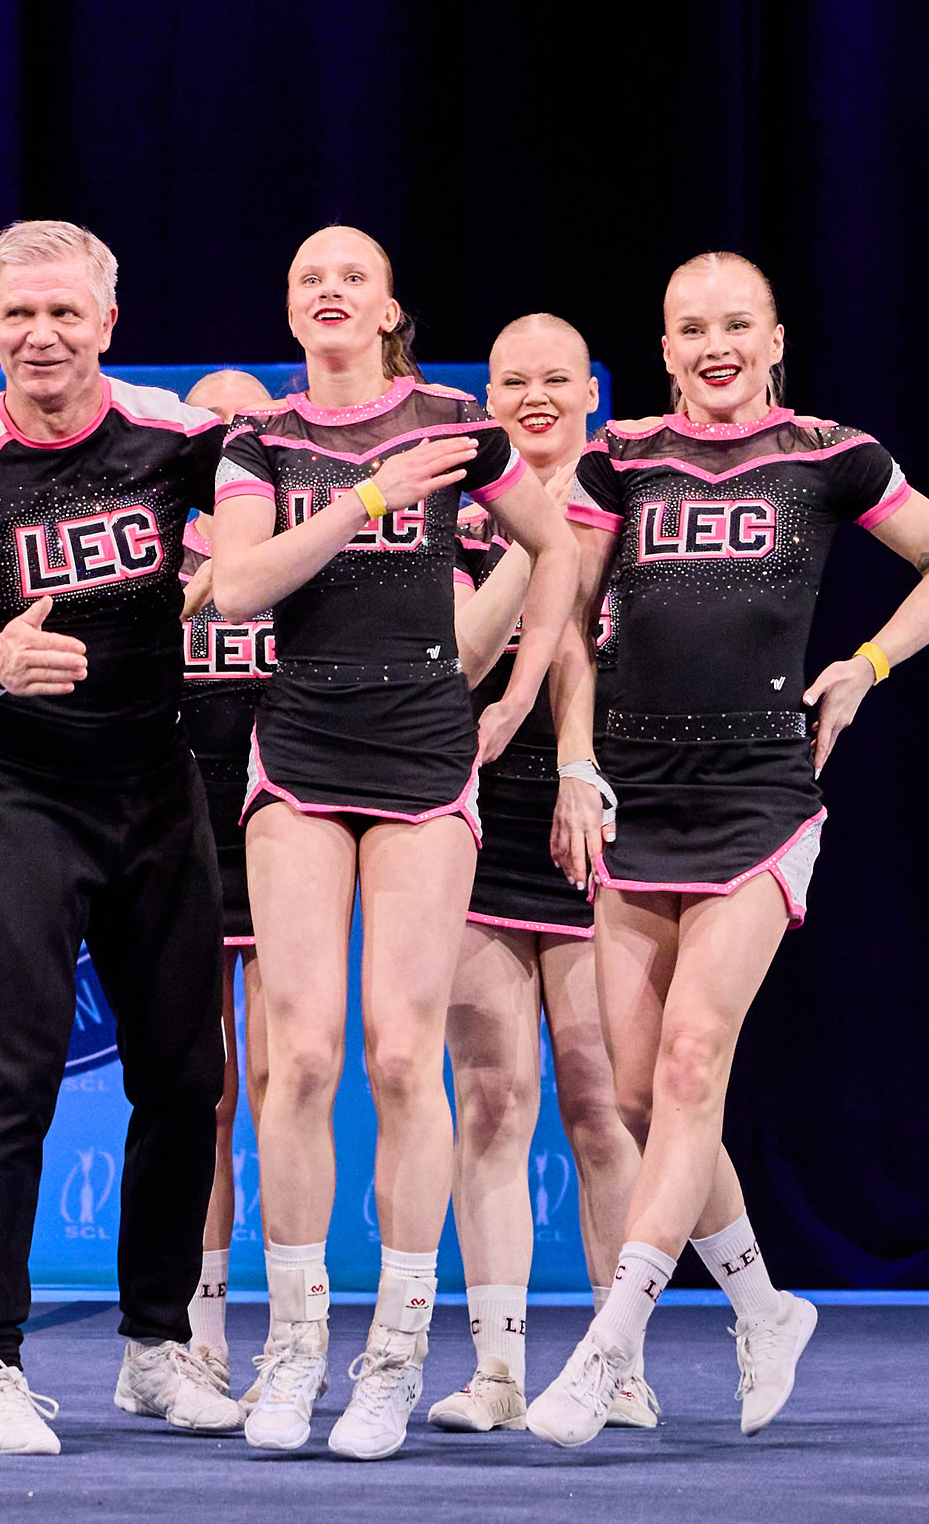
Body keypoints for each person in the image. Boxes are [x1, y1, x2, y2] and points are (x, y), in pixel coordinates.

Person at [528, 251, 929, 1448]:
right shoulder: (618, 458)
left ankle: (605, 1346)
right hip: (634, 798)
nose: (714, 345)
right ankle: (765, 1309)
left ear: (774, 339)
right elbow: (565, 624)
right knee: (638, 1095)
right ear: (663, 348)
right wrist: (572, 763)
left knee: (690, 1066)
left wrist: (865, 665)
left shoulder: (828, 455)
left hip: (758, 799)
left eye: (735, 323)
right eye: (690, 327)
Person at [209, 226, 578, 1459]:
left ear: (386, 309)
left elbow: (556, 541)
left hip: (422, 751)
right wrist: (368, 497)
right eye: (307, 277)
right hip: (300, 747)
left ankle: (393, 1354)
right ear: (290, 309)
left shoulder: (454, 424)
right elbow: (240, 585)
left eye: (350, 277)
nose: (328, 290)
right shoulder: (261, 440)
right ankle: (293, 1345)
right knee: (299, 1057)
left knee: (402, 1057)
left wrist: (515, 691)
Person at [0, 219, 239, 1456]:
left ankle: (155, 1347)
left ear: (106, 322)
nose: (40, 336)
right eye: (17, 316)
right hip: (22, 797)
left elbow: (269, 517)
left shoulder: (177, 438)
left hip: (159, 786)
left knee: (186, 1077)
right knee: (14, 1079)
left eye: (63, 313)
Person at [427, 315, 657, 1436]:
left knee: (602, 1101)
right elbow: (465, 654)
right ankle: (498, 1369)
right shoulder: (458, 512)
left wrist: (580, 766)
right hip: (477, 818)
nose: (533, 397)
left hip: (600, 823)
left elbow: (598, 651)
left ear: (591, 392)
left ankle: (618, 1364)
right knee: (489, 1098)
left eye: (555, 379)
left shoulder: (635, 507)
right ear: (486, 399)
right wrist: (533, 529)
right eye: (510, 381)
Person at [175, 369, 278, 1401]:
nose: (223, 438)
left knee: (284, 1089)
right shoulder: (149, 555)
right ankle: (198, 1336)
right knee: (201, 1095)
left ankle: (293, 1331)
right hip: (179, 845)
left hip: (282, 840)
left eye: (243, 422)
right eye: (207, 421)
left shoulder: (298, 549)